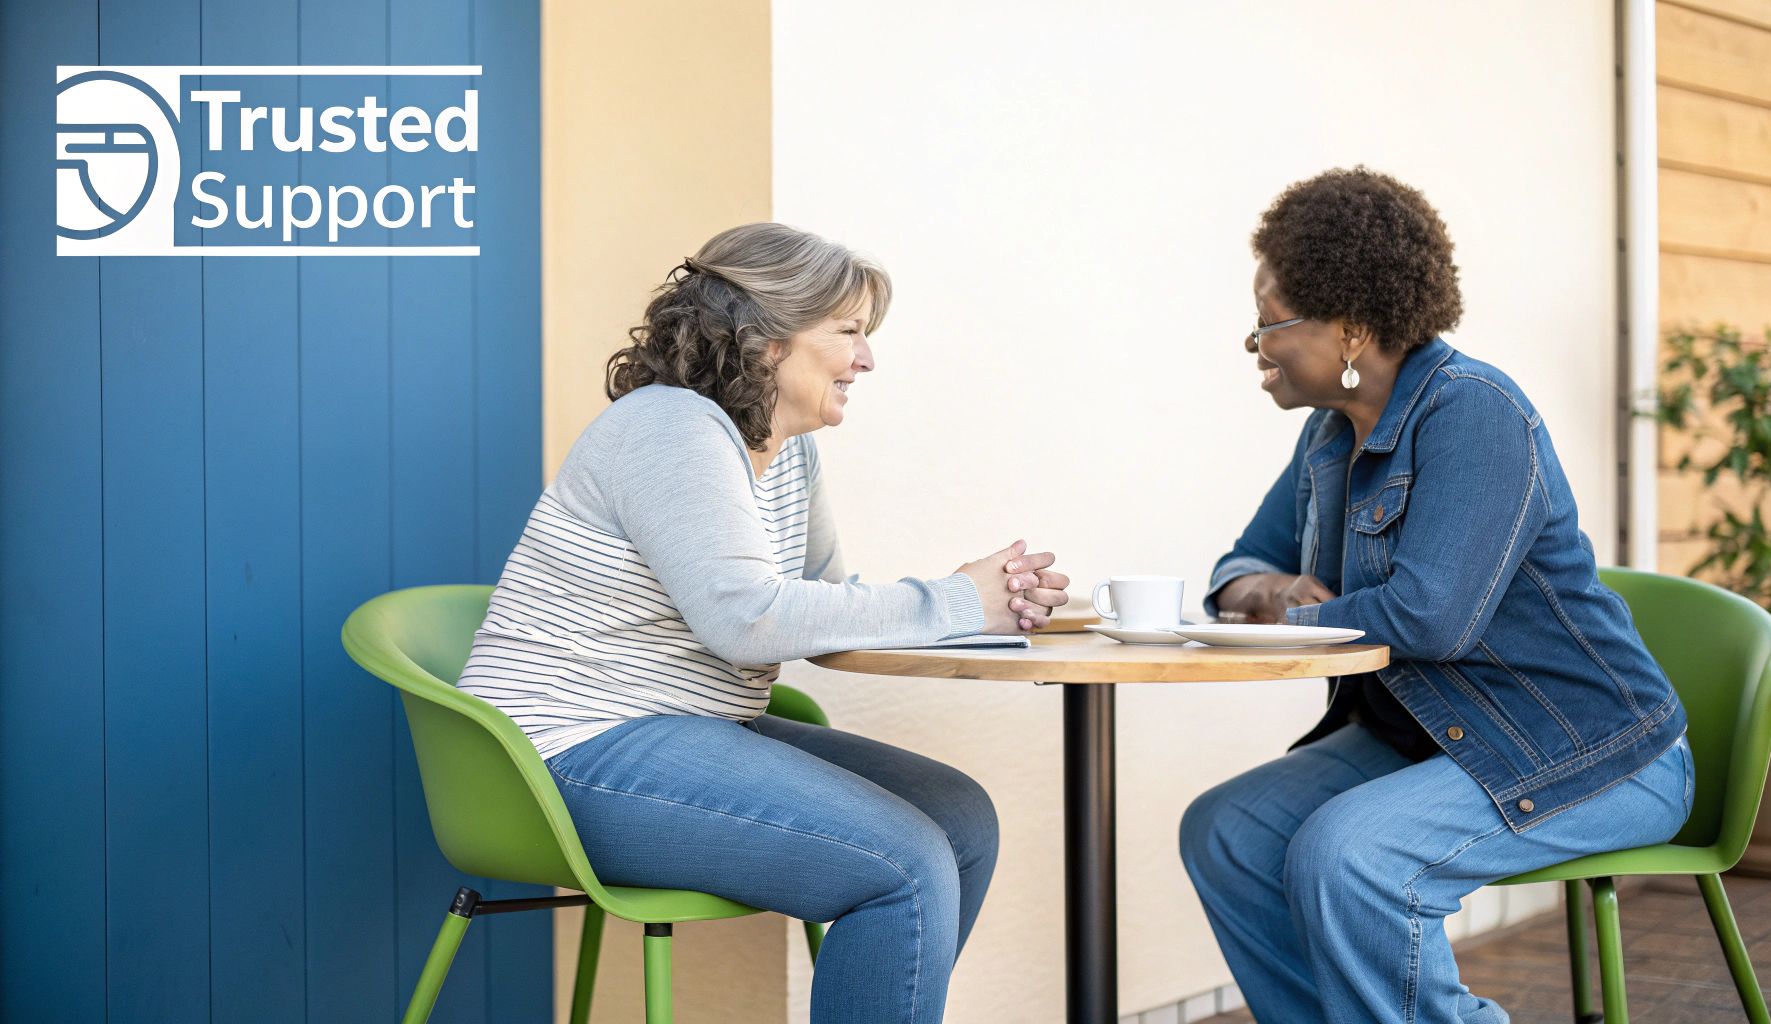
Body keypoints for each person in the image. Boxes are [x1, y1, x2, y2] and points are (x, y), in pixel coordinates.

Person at [458, 222, 1069, 1022]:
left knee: (958, 818)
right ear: (766, 340)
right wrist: (952, 598)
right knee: (904, 863)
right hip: (565, 747)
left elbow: (822, 604)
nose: (868, 358)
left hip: (684, 727)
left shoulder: (786, 452)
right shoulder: (669, 426)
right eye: (849, 332)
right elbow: (749, 620)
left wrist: (988, 606)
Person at [1177, 168, 1693, 1024]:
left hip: (1586, 750)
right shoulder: (1328, 435)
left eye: (1268, 325)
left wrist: (1288, 620)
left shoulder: (1474, 413)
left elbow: (1431, 617)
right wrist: (1264, 588)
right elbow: (1236, 571)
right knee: (1229, 834)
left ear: (1350, 328)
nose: (1256, 347)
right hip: (1431, 739)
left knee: (1348, 858)